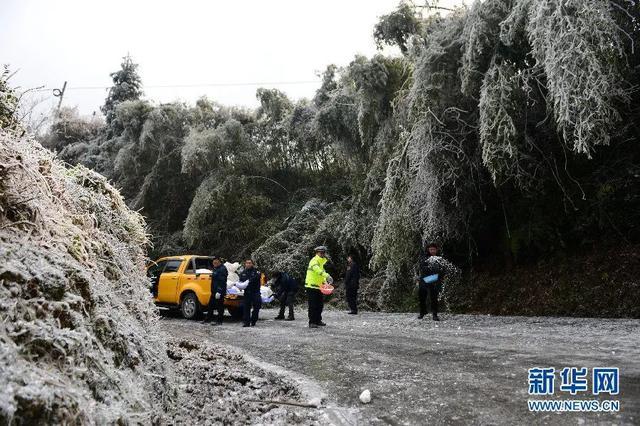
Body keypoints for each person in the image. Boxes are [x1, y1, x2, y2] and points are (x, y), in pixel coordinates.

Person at [305, 246, 333, 328]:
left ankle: (318, 320)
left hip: (319, 287)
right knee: (313, 305)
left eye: (323, 252)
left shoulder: (321, 263)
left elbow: (321, 275)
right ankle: (312, 322)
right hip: (311, 286)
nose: (322, 254)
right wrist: (328, 276)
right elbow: (317, 270)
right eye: (320, 252)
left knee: (320, 305)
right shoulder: (314, 261)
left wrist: (326, 282)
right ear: (317, 253)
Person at [417, 243, 442, 321]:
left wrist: (440, 275)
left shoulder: (439, 258)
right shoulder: (424, 257)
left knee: (434, 297)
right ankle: (423, 312)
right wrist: (431, 267)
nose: (432, 251)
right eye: (431, 249)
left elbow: (442, 269)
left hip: (434, 279)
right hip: (424, 279)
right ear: (428, 250)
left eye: (434, 249)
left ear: (436, 250)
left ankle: (435, 314)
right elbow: (422, 268)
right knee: (422, 296)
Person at [203, 257, 228, 325]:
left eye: (216, 262)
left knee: (219, 306)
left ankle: (219, 321)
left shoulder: (222, 269)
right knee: (210, 306)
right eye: (213, 263)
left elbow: (222, 281)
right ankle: (208, 319)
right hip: (214, 291)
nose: (214, 264)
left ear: (219, 262)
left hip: (219, 291)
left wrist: (219, 291)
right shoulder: (216, 268)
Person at [239, 259, 262, 327]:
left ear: (252, 264)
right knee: (246, 308)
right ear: (245, 264)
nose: (248, 264)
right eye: (247, 263)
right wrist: (239, 286)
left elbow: (255, 278)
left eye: (249, 263)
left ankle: (254, 320)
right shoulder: (243, 272)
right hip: (247, 293)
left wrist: (247, 281)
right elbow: (240, 281)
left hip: (255, 292)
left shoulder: (256, 272)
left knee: (257, 307)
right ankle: (246, 322)